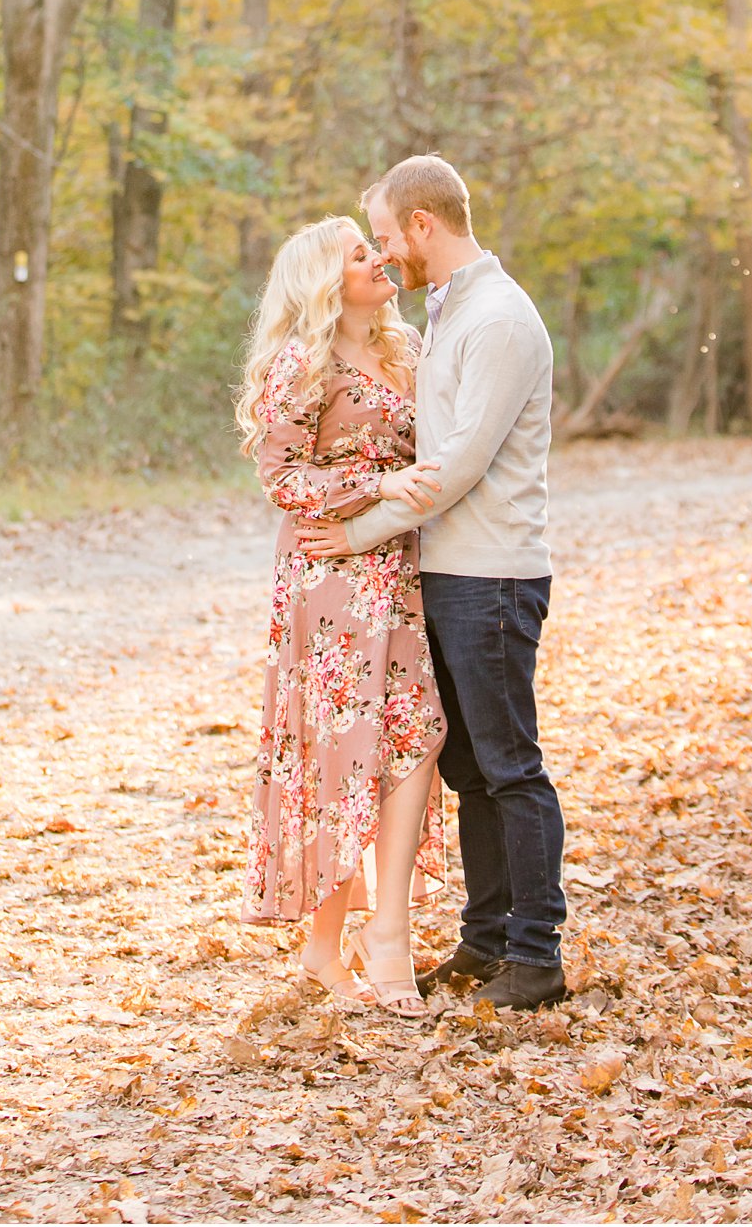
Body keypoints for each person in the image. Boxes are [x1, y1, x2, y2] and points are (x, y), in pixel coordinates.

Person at [299, 156, 567, 1008]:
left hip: (493, 576)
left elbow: (451, 469)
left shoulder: (498, 319)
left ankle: (537, 952)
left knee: (510, 764)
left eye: (385, 237)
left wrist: (351, 531)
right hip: (449, 573)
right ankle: (485, 940)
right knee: (470, 771)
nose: (384, 257)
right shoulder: (449, 311)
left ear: (422, 224)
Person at [236, 216, 447, 1016]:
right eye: (362, 253)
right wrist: (375, 489)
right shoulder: (304, 361)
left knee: (415, 733)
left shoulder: (405, 351)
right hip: (329, 580)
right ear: (328, 279)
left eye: (375, 246)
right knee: (341, 757)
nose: (380, 258)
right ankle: (324, 951)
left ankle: (380, 930)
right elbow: (280, 477)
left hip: (394, 570)